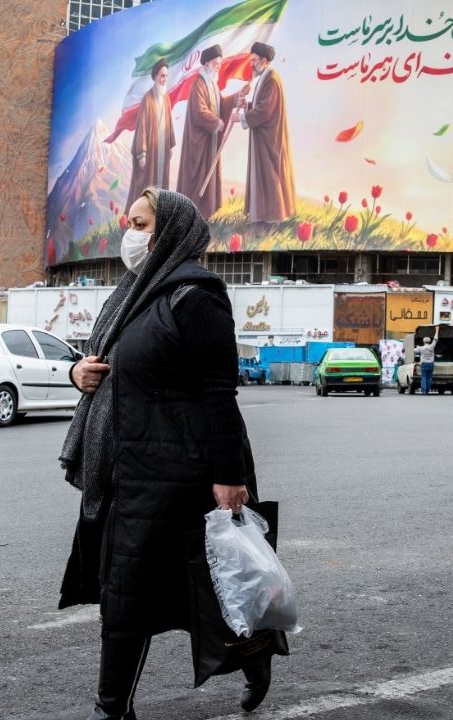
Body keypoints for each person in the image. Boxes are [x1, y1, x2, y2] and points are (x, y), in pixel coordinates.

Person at [58, 187, 278, 718]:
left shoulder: (196, 296)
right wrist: (77, 374)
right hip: (126, 471)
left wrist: (229, 477)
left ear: (169, 232)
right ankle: (112, 708)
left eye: (140, 223)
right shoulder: (133, 295)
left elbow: (219, 393)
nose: (129, 235)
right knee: (125, 595)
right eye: (129, 223)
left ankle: (255, 662)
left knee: (217, 582)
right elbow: (108, 367)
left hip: (183, 473)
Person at [176, 45, 248, 219]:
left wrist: (238, 96)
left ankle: (205, 215)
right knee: (196, 180)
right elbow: (199, 111)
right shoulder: (198, 85)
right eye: (216, 63)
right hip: (198, 144)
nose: (218, 66)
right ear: (207, 63)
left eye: (219, 63)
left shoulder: (212, 85)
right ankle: (191, 217)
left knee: (208, 180)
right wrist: (216, 122)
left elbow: (221, 104)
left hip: (210, 142)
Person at [234, 42, 296, 226]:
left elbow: (266, 111)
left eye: (254, 60)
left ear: (263, 60)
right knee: (263, 176)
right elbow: (260, 106)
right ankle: (262, 217)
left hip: (270, 140)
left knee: (270, 177)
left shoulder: (272, 79)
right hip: (263, 137)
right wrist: (248, 107)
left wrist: (241, 117)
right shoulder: (264, 77)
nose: (251, 64)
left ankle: (272, 220)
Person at [125, 61, 176, 211]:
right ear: (155, 77)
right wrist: (142, 154)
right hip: (151, 151)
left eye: (166, 76)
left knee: (161, 182)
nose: (164, 79)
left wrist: (170, 145)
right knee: (148, 183)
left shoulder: (165, 97)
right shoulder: (147, 99)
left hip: (163, 149)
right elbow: (142, 128)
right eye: (161, 76)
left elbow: (169, 121)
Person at [417, 329, 439, 395]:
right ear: (429, 341)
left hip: (424, 364)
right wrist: (437, 330)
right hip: (431, 364)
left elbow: (414, 351)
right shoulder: (432, 346)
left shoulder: (421, 348)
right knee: (429, 378)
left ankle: (423, 391)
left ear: (423, 341)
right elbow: (435, 339)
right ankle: (427, 390)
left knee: (424, 377)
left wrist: (417, 347)